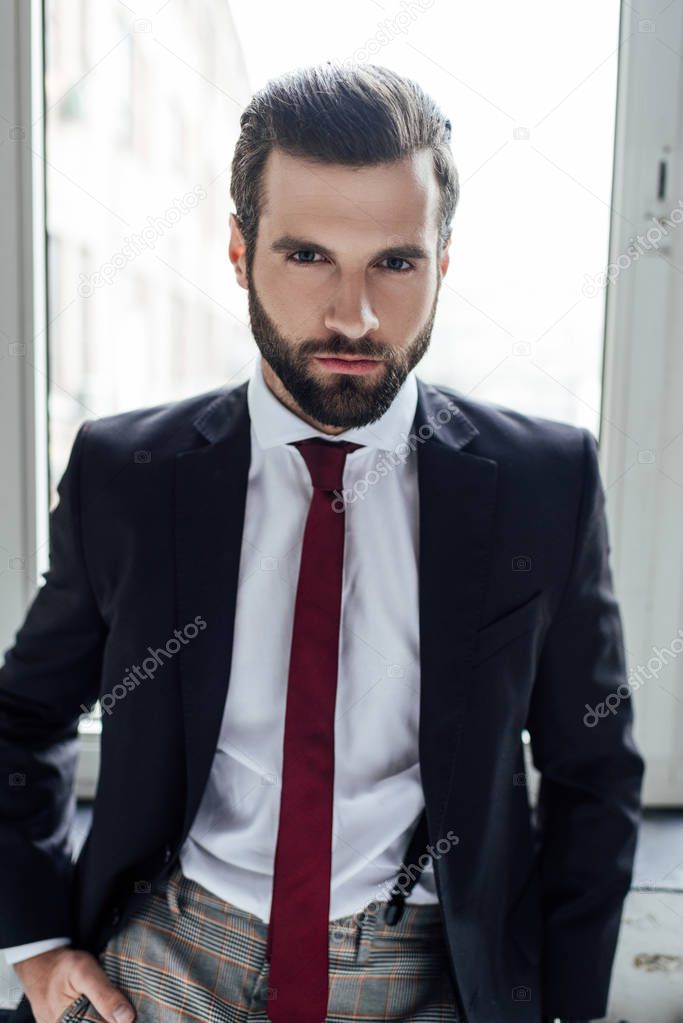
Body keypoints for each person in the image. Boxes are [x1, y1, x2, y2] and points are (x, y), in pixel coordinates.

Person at [0, 62, 644, 1023]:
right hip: (170, 948)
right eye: (307, 257)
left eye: (395, 260)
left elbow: (593, 769)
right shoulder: (125, 473)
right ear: (237, 249)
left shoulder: (541, 484)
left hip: (433, 964)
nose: (354, 315)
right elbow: (25, 718)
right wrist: (36, 943)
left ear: (443, 260)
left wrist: (568, 1006)